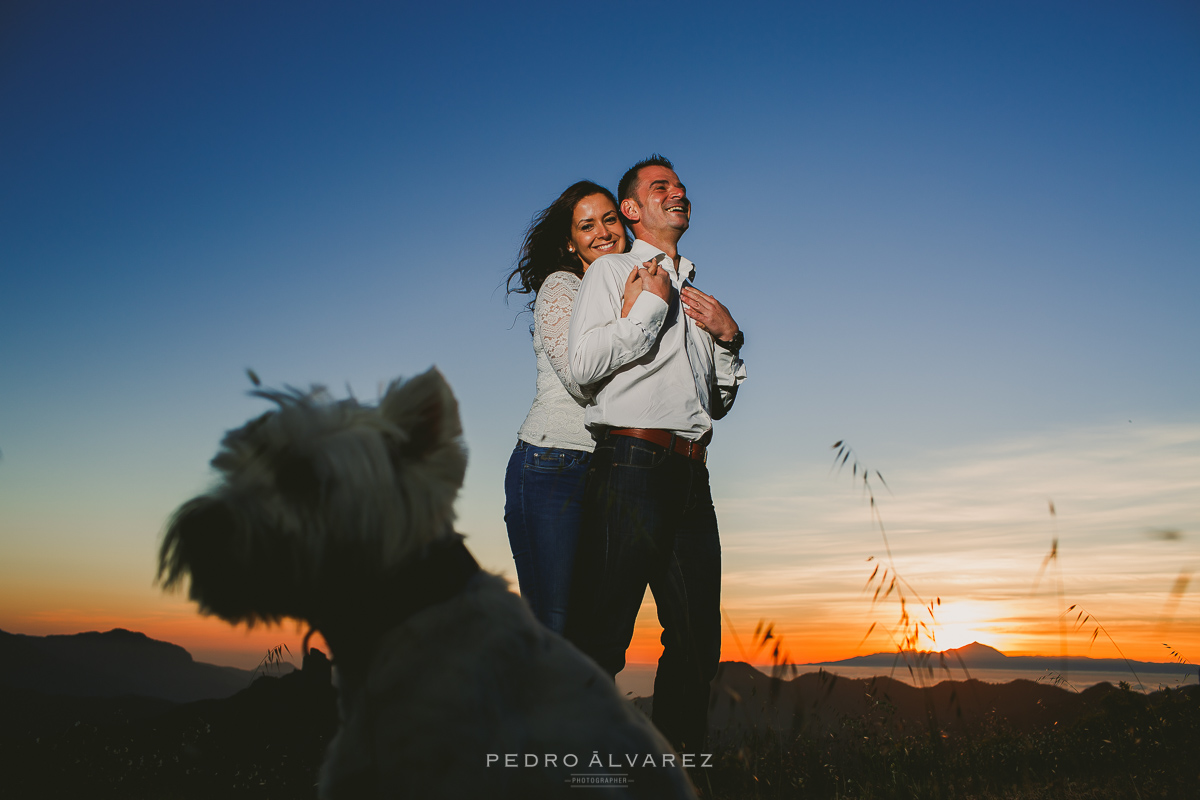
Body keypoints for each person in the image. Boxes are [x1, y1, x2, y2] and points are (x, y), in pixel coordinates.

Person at [565, 155, 746, 753]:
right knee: (603, 636)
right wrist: (648, 309)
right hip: (631, 465)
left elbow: (715, 406)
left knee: (697, 644)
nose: (679, 191)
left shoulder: (697, 293)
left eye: (681, 185)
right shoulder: (611, 271)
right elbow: (582, 367)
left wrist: (728, 337)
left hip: (693, 474)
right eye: (660, 186)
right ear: (633, 210)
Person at [503, 180, 645, 634]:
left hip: (604, 469)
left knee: (593, 629)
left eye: (610, 219)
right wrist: (635, 314)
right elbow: (581, 379)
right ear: (570, 242)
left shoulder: (622, 287)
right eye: (587, 225)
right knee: (556, 626)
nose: (603, 231)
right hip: (550, 464)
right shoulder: (562, 287)